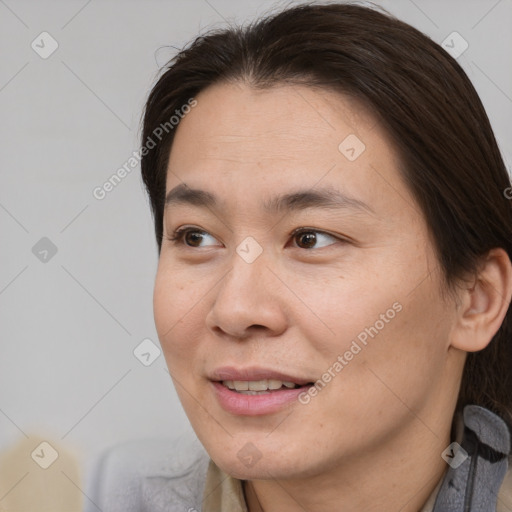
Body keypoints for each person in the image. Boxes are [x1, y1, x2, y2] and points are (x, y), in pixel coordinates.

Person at [86, 2, 512, 510]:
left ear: (476, 301)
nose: (235, 311)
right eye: (197, 237)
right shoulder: (116, 495)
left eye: (309, 238)